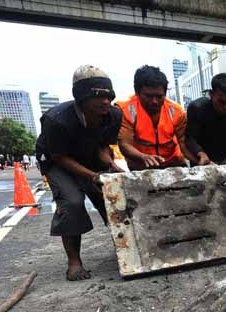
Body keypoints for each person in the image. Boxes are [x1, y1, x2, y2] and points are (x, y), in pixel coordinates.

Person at [36, 65, 123, 281]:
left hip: (90, 156)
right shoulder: (56, 120)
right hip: (58, 162)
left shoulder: (113, 115)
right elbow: (60, 157)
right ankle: (74, 262)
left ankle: (124, 250)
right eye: (98, 96)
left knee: (113, 197)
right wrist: (91, 176)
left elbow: (103, 146)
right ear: (81, 97)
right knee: (72, 201)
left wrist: (110, 164)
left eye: (108, 96)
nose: (105, 101)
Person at [117, 65, 192, 170]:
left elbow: (184, 143)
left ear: (165, 93)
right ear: (137, 92)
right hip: (141, 165)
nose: (154, 101)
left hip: (173, 164)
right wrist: (143, 157)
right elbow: (124, 144)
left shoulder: (176, 111)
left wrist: (199, 161)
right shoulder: (126, 110)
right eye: (148, 96)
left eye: (159, 96)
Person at [185, 73, 226, 165]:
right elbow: (189, 138)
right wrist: (200, 153)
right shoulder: (197, 108)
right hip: (201, 158)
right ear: (211, 94)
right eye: (221, 102)